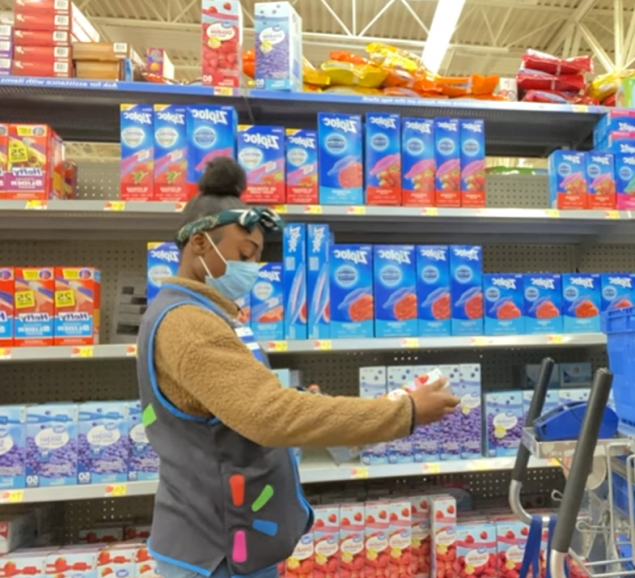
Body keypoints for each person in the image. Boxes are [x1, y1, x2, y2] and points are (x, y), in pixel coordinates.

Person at [136, 157, 460, 578]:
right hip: (216, 553)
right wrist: (406, 412)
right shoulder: (190, 323)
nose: (251, 269)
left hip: (231, 538)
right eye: (244, 254)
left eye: (256, 258)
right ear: (199, 243)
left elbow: (236, 407)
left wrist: (302, 405)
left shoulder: (205, 314)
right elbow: (268, 415)